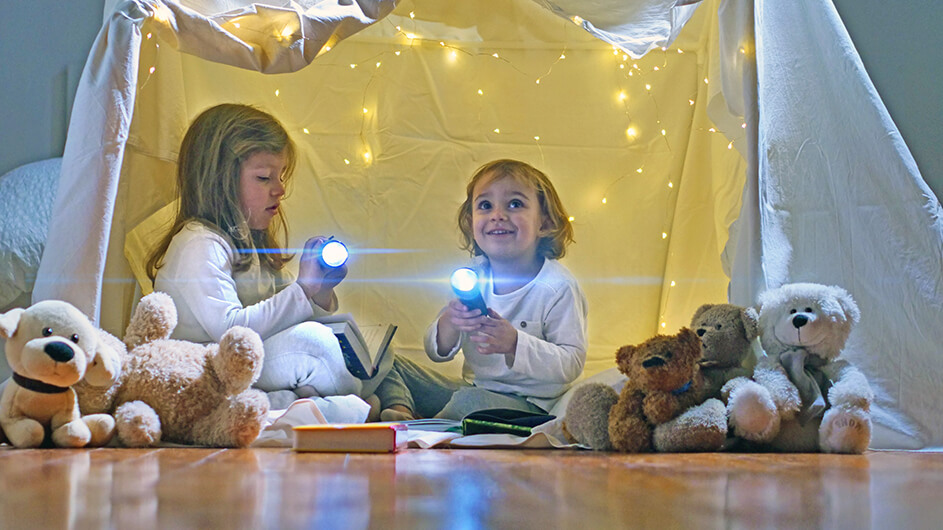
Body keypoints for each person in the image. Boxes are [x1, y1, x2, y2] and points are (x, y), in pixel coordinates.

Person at [147, 103, 362, 410]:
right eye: (264, 178)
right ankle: (363, 404)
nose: (280, 190)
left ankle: (346, 402)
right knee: (315, 345)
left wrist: (320, 291)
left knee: (366, 343)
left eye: (281, 176)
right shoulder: (199, 244)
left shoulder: (253, 241)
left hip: (245, 362)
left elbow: (280, 314)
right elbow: (230, 331)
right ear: (220, 181)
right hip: (210, 372)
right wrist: (304, 290)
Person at [375, 159, 588, 420]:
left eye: (515, 204)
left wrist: (514, 343)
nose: (498, 215)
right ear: (471, 221)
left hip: (531, 405)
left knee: (469, 402)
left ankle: (427, 427)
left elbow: (571, 363)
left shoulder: (557, 287)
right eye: (485, 205)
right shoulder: (472, 276)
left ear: (544, 223)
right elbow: (436, 352)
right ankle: (401, 411)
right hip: (475, 389)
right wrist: (449, 324)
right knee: (384, 361)